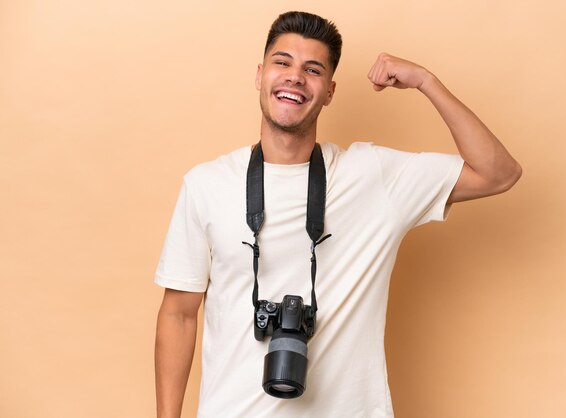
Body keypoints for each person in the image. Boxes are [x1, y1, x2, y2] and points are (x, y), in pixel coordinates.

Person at [154, 10, 521, 418]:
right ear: (260, 75)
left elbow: (499, 173)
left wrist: (426, 82)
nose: (295, 77)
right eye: (282, 62)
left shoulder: (373, 177)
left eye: (312, 70)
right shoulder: (207, 184)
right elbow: (179, 315)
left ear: (329, 91)